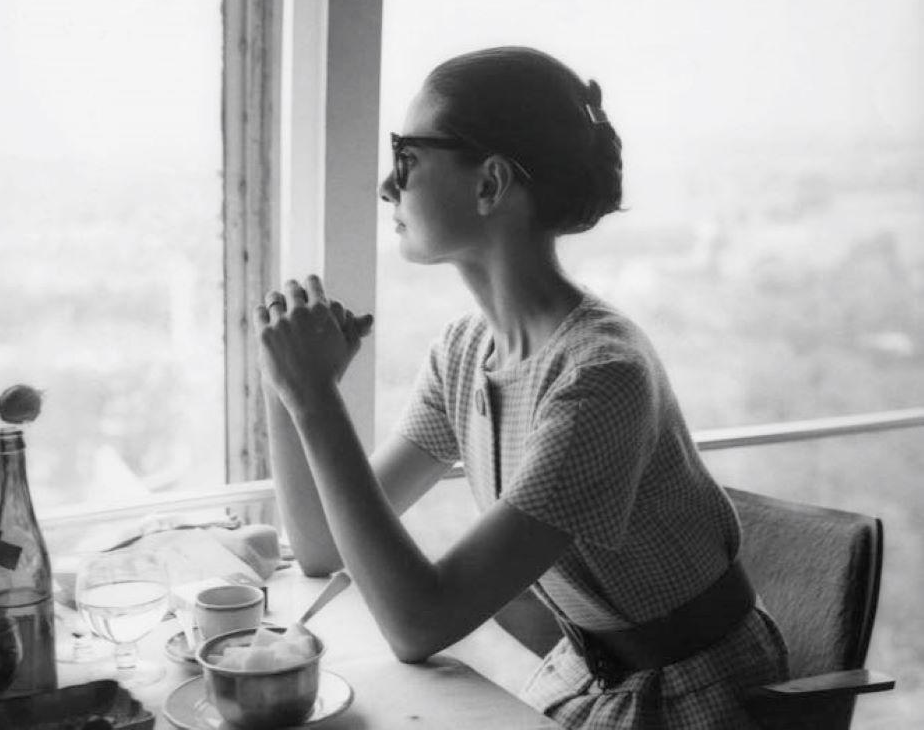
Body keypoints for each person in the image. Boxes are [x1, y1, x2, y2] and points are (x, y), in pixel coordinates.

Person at [252, 46, 789, 728]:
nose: (387, 186)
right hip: (593, 674)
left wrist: (315, 397)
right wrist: (287, 383)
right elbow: (322, 547)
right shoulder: (464, 352)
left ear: (489, 184)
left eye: (407, 158)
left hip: (693, 697)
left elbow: (417, 623)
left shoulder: (600, 379)